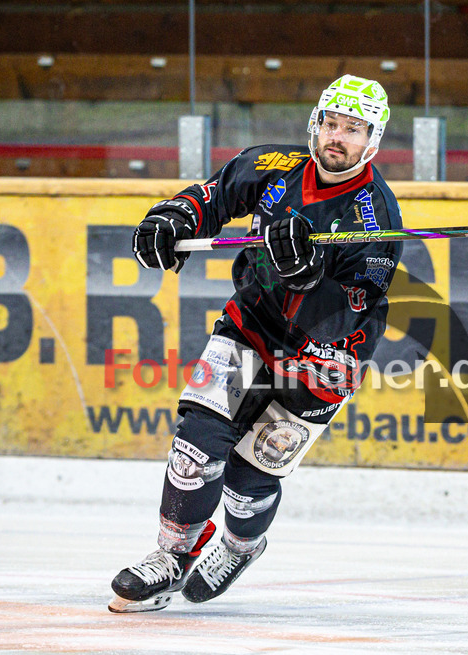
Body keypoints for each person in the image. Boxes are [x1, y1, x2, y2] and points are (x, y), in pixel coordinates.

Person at [108, 75, 404, 613]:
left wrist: (309, 279)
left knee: (249, 479)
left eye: (353, 130)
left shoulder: (376, 217)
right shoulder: (273, 166)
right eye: (331, 124)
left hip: (325, 358)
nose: (337, 138)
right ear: (315, 123)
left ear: (374, 141)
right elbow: (215, 196)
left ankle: (242, 545)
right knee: (197, 443)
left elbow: (348, 314)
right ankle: (171, 557)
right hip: (251, 324)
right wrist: (175, 216)